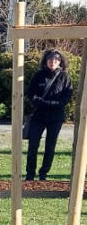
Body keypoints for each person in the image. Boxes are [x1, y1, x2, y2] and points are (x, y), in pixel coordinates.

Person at [25, 49, 72, 181]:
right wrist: (41, 102)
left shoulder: (64, 77)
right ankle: (30, 174)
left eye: (56, 60)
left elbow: (66, 96)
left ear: (60, 62)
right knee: (33, 146)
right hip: (38, 115)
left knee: (50, 146)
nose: (53, 62)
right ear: (46, 61)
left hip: (55, 117)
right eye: (50, 59)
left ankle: (43, 174)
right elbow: (31, 93)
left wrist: (53, 104)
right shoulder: (38, 75)